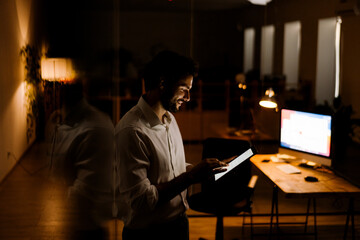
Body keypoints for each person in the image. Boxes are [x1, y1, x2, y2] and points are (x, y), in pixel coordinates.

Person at [115, 51, 228, 240]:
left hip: (179, 224)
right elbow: (141, 200)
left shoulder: (169, 119)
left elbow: (167, 172)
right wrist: (191, 176)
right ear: (162, 83)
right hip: (149, 235)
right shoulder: (132, 131)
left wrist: (200, 171)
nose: (189, 97)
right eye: (184, 88)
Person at [46, 79, 115, 240]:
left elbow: (89, 188)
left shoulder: (94, 127)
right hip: (79, 220)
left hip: (88, 223)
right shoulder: (64, 121)